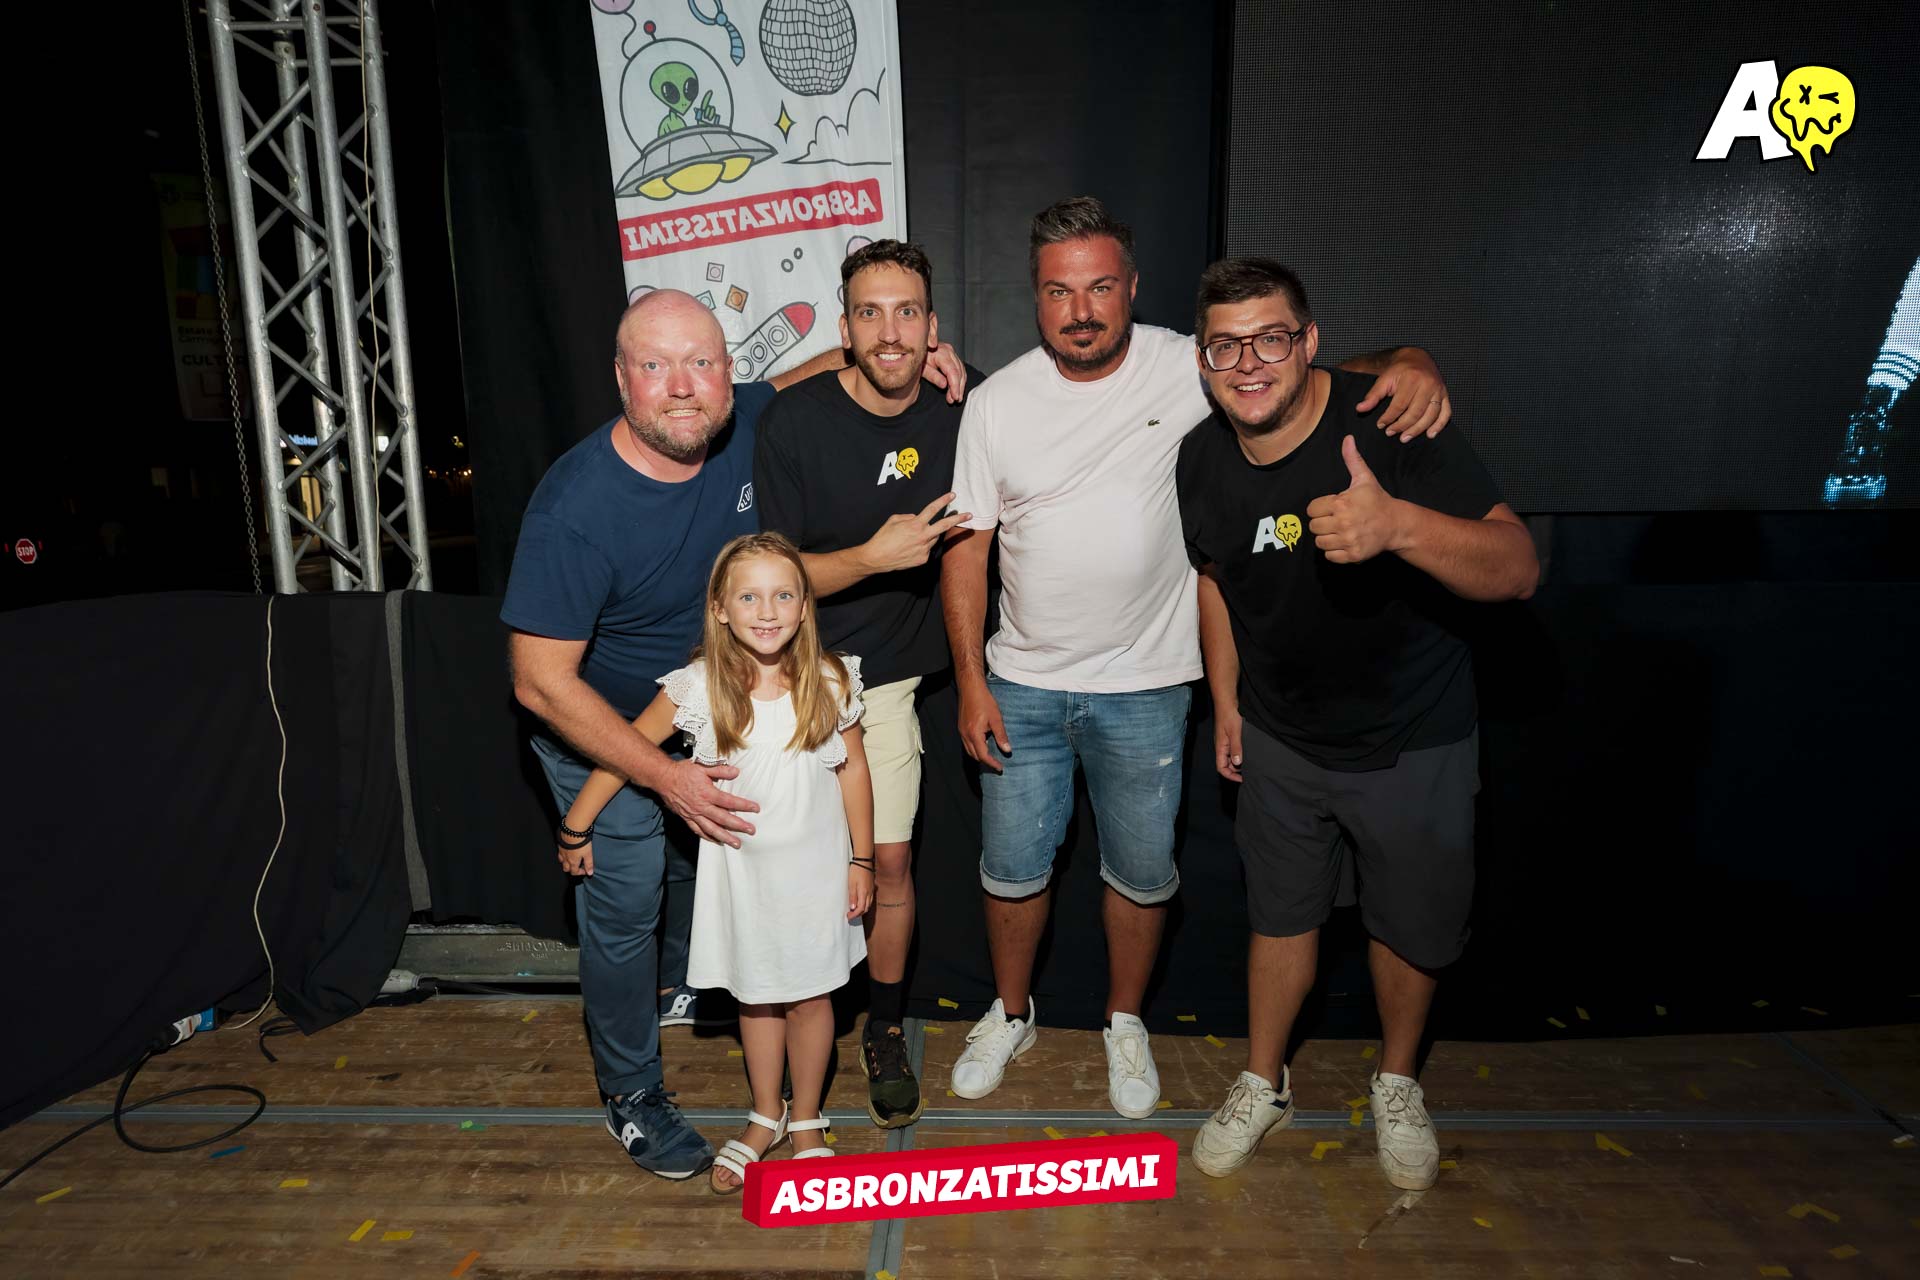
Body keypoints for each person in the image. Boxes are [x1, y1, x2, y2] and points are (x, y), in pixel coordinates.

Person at [941, 196, 1453, 1120]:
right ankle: (1010, 1013)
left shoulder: (1196, 364)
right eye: (1059, 291)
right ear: (1035, 297)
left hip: (1147, 686)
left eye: (1101, 287)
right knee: (1010, 870)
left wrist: (1409, 359)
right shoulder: (997, 402)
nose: (1081, 310)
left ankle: (1124, 1021)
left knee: (1142, 875)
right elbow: (967, 548)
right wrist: (972, 679)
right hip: (1023, 681)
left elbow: (1308, 368)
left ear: (1133, 287)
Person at [504, 290, 963, 1181]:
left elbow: (821, 370)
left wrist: (919, 362)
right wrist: (656, 779)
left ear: (726, 372)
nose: (683, 387)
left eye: (702, 363)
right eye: (655, 366)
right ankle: (632, 1091)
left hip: (729, 715)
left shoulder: (742, 413)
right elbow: (538, 683)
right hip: (608, 729)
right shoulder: (575, 507)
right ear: (621, 377)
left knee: (712, 873)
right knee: (628, 901)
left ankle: (695, 993)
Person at [1174, 258, 1537, 1188]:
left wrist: (1400, 527)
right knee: (1280, 919)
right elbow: (1215, 580)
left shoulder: (1390, 425)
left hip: (1412, 739)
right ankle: (1265, 1081)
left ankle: (1398, 1082)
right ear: (1202, 359)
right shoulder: (1200, 458)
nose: (1248, 364)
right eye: (1225, 346)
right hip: (1282, 740)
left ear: (1310, 342)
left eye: (1270, 339)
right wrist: (1227, 702)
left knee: (1410, 929)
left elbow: (1517, 568)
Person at [559, 532, 873, 1195]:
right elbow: (626, 750)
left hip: (817, 875)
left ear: (804, 605)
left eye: (783, 595)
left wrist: (863, 859)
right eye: (749, 597)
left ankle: (807, 1120)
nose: (768, 610)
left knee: (812, 997)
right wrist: (577, 822)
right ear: (720, 609)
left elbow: (854, 772)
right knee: (756, 999)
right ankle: (765, 1114)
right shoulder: (698, 686)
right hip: (742, 880)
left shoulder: (831, 678)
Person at [754, 239, 976, 1128]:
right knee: (789, 865)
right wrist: (871, 558)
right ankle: (781, 1031)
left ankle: (882, 1028)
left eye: (908, 312)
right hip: (793, 674)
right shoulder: (795, 421)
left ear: (933, 326)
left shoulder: (964, 408)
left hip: (882, 682)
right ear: (843, 329)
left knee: (888, 861)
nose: (891, 332)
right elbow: (771, 574)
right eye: (871, 313)